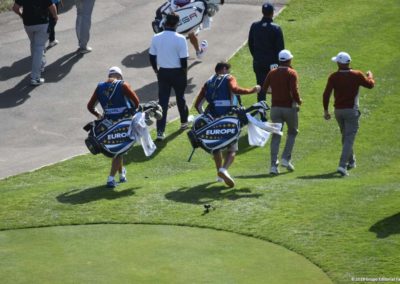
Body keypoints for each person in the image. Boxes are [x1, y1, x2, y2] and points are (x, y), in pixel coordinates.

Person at [194, 61, 260, 187]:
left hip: (213, 119)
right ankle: (224, 169)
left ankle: (219, 175)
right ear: (224, 69)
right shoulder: (229, 78)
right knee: (232, 149)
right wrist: (253, 90)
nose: (229, 72)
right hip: (229, 118)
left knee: (216, 148)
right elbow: (236, 89)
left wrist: (206, 118)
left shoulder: (208, 82)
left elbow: (198, 105)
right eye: (228, 70)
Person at [323, 52, 375, 176]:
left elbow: (326, 94)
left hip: (338, 112)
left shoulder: (333, 76)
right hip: (351, 111)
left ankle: (351, 161)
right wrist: (370, 76)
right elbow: (370, 85)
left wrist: (325, 110)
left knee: (345, 137)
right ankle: (342, 165)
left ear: (340, 63)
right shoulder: (357, 75)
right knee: (348, 139)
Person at [87, 66, 140, 188]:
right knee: (118, 151)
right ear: (120, 76)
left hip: (108, 124)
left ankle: (122, 175)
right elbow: (136, 102)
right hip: (123, 123)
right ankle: (110, 179)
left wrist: (98, 115)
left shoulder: (100, 87)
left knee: (118, 150)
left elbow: (90, 106)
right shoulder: (123, 85)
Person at [149, 13, 189, 141]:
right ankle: (184, 123)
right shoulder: (180, 38)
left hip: (163, 73)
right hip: (178, 73)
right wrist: (185, 73)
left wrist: (156, 70)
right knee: (180, 98)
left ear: (165, 22)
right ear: (177, 24)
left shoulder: (156, 37)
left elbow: (152, 57)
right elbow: (184, 61)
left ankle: (160, 132)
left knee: (163, 102)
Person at [262, 49, 302, 175]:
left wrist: (276, 92)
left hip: (275, 109)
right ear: (289, 60)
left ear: (279, 60)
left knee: (276, 136)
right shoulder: (292, 73)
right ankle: (285, 158)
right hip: (289, 108)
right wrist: (299, 101)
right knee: (292, 132)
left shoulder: (272, 72)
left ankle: (273, 166)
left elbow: (264, 89)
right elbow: (293, 91)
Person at [12, 0, 58, 86]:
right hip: (42, 23)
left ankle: (40, 65)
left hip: (28, 24)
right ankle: (35, 77)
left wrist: (22, 15)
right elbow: (52, 7)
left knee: (34, 44)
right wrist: (55, 16)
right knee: (39, 47)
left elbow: (15, 8)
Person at [248, 2, 284, 102]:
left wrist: (256, 56)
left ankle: (262, 113)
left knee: (261, 87)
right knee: (276, 87)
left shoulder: (254, 26)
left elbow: (250, 44)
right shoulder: (276, 28)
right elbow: (281, 48)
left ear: (262, 12)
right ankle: (276, 109)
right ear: (272, 13)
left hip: (258, 62)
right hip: (273, 64)